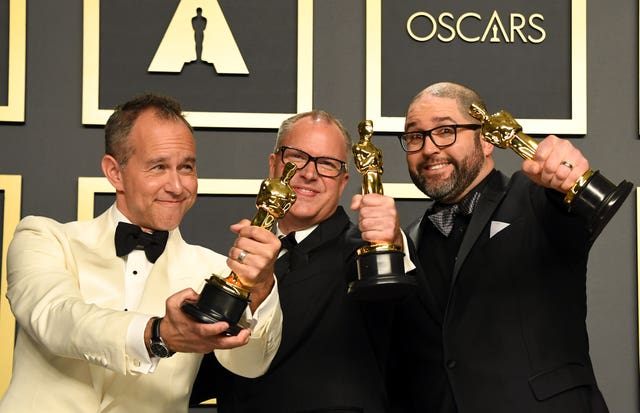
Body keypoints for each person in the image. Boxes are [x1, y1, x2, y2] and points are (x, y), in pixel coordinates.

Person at [0, 93, 282, 413]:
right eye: (158, 166)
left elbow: (249, 364)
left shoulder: (215, 270)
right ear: (114, 172)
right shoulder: (42, 238)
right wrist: (157, 334)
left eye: (186, 167)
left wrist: (260, 289)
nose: (177, 185)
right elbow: (57, 318)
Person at [390, 81, 616, 412]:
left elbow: (575, 201)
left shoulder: (535, 197)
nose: (429, 148)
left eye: (445, 130)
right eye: (415, 136)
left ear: (485, 139)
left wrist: (570, 176)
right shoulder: (408, 242)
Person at [190, 110, 415, 412]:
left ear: (344, 180)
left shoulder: (361, 252)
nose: (309, 173)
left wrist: (392, 242)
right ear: (273, 164)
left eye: (327, 164)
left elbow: (407, 304)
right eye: (296, 157)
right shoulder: (236, 259)